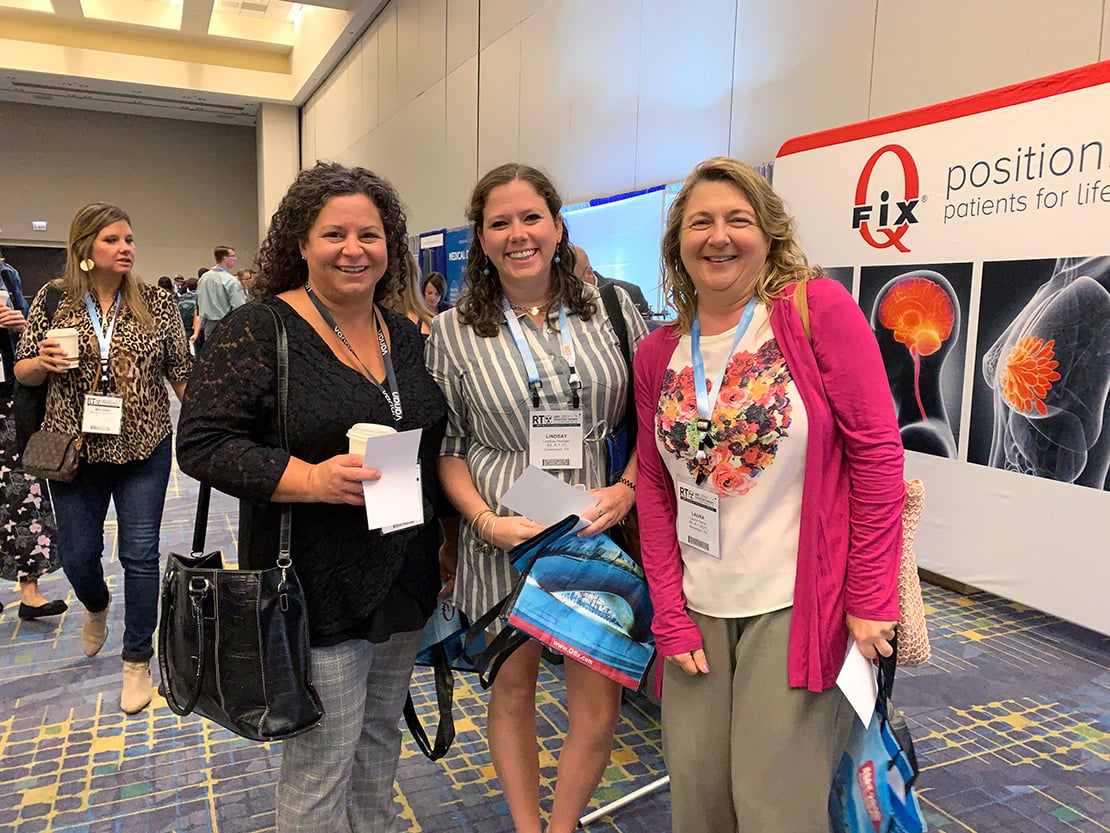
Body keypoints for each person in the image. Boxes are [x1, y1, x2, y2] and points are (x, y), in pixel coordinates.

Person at [632, 156, 904, 833]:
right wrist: (668, 611)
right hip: (697, 600)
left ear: (769, 233)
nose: (719, 236)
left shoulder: (816, 312)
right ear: (677, 243)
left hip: (795, 601)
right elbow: (656, 490)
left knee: (774, 807)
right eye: (700, 222)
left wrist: (871, 596)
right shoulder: (658, 352)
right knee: (698, 800)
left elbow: (877, 456)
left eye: (738, 219)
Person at [177, 162, 449, 833]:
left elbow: (427, 439)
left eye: (369, 235)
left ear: (390, 246)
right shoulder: (259, 329)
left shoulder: (401, 333)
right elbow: (202, 443)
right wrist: (313, 479)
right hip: (313, 581)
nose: (354, 249)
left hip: (403, 567)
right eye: (334, 234)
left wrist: (446, 542)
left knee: (380, 738)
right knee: (322, 760)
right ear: (301, 243)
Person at [426, 162, 647, 833]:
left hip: (593, 530)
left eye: (531, 218)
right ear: (481, 238)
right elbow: (448, 447)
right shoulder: (453, 330)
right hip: (505, 531)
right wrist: (481, 522)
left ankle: (563, 823)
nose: (518, 234)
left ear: (557, 225)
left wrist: (629, 486)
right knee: (512, 690)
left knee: (598, 703)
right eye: (500, 223)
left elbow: (656, 416)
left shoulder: (612, 311)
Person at [14, 203, 192, 714]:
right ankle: (96, 604)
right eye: (112, 239)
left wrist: (211, 426)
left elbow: (181, 374)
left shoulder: (157, 302)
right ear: (85, 248)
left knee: (140, 556)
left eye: (129, 239)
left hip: (144, 449)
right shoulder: (54, 299)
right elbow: (23, 370)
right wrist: (42, 362)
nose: (125, 248)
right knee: (77, 557)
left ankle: (137, 660)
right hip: (73, 453)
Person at [1, 264, 68, 620]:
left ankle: (30, 592)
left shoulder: (7, 275)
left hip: (10, 397)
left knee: (24, 493)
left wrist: (20, 325)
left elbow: (33, 336)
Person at [570, 245, 653, 323]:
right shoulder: (564, 302)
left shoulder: (629, 292)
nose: (568, 288)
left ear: (589, 272)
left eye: (573, 282)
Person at [196, 244, 247, 338]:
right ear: (225, 258)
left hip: (208, 327)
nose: (235, 259)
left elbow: (199, 303)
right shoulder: (231, 281)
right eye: (233, 256)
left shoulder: (203, 279)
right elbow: (239, 307)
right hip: (226, 326)